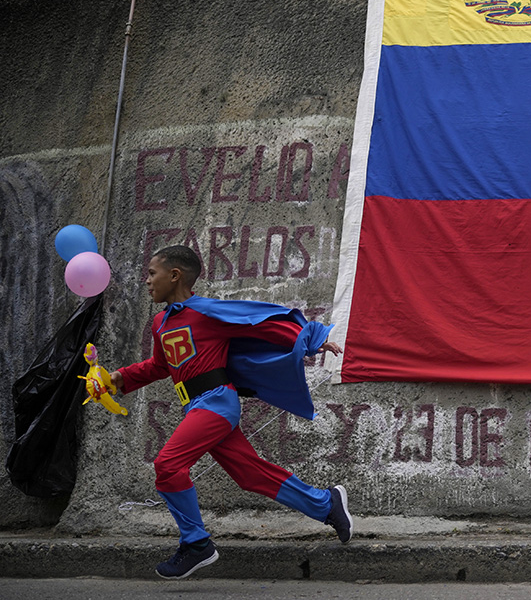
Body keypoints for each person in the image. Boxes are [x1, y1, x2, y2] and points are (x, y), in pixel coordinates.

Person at [111, 245, 352, 580]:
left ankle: (196, 544)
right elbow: (159, 366)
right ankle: (326, 505)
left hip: (216, 402)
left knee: (168, 465)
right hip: (196, 406)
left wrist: (312, 338)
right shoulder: (160, 323)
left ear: (175, 275)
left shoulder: (207, 313)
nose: (147, 281)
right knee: (249, 475)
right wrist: (118, 379)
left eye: (152, 273)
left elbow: (259, 322)